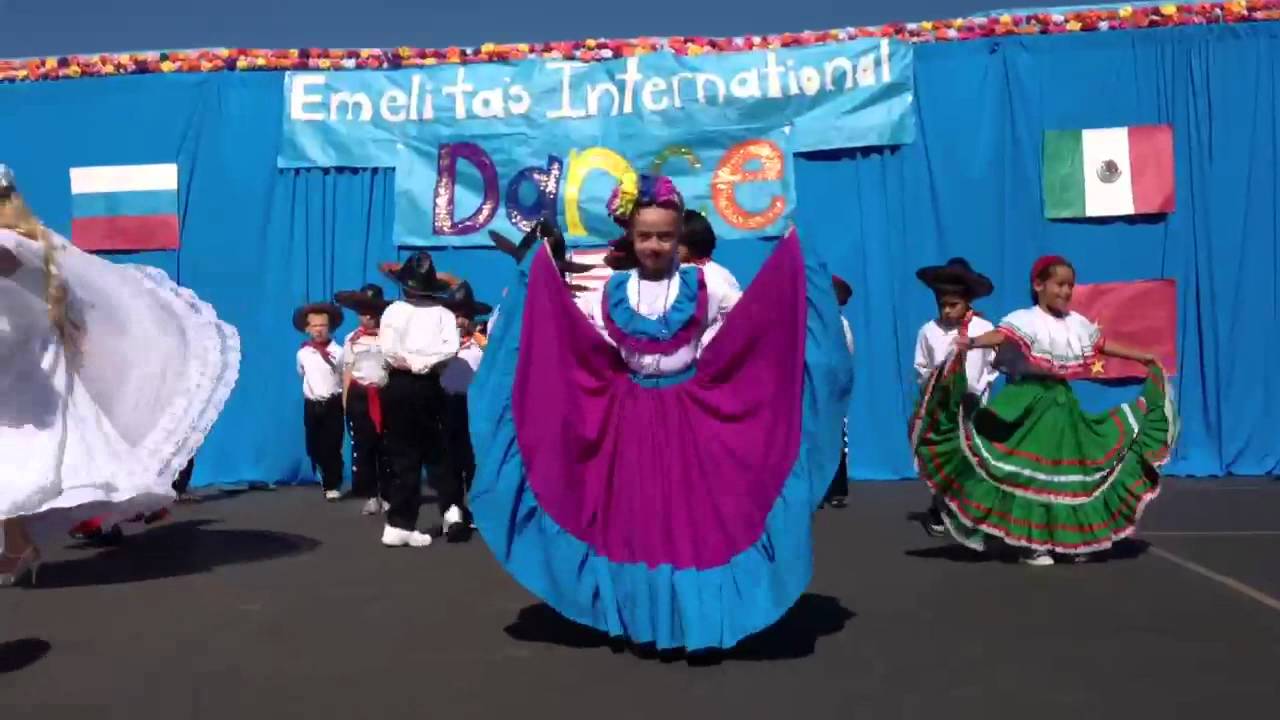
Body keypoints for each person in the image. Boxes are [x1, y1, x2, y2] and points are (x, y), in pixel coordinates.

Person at [468, 173, 853, 653]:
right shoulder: (613, 291)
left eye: (665, 236)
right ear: (630, 236)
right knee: (636, 517)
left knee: (686, 519)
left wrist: (789, 281)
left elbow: (747, 327)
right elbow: (584, 344)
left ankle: (695, 623)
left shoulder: (707, 285)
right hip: (626, 416)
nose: (654, 244)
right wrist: (538, 283)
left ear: (680, 238)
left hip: (688, 413)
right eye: (645, 235)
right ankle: (641, 619)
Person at [0, 164, 240, 585]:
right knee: (16, 464)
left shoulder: (15, 244)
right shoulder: (33, 243)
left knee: (21, 460)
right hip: (19, 366)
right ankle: (20, 548)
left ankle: (21, 548)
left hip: (27, 372)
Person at [912, 254, 1176, 566]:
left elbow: (1101, 344)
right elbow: (1002, 336)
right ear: (1039, 285)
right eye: (1059, 285)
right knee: (1030, 477)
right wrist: (973, 343)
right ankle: (1030, 544)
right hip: (1029, 404)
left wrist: (1143, 357)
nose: (1066, 292)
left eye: (1070, 286)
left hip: (1062, 406)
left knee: (1067, 475)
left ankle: (1068, 543)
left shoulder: (1076, 324)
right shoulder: (1025, 320)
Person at [910, 258, 999, 536]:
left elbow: (993, 364)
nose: (947, 311)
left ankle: (970, 510)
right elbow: (921, 367)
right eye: (942, 305)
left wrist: (981, 389)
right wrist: (936, 384)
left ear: (967, 302)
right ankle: (938, 507)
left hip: (973, 404)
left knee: (972, 459)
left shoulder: (983, 330)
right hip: (941, 407)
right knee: (945, 456)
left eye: (953, 305)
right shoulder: (929, 331)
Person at [377, 251, 459, 548]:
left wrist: (424, 362)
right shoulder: (394, 311)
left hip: (428, 383)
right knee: (403, 454)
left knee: (437, 450)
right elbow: (389, 349)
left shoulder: (443, 315)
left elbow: (450, 348)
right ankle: (399, 523)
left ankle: (451, 510)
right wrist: (416, 362)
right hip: (402, 383)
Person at [437, 281, 492, 539]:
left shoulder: (482, 343)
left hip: (474, 405)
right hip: (446, 404)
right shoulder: (439, 343)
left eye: (464, 316)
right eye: (455, 315)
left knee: (473, 460)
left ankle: (478, 509)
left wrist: (480, 339)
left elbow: (495, 362)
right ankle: (452, 512)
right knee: (448, 461)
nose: (459, 321)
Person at [336, 283, 392, 516]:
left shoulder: (389, 337)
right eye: (362, 313)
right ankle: (371, 495)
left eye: (372, 313)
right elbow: (347, 371)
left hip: (384, 395)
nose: (366, 318)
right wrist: (346, 403)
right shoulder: (352, 339)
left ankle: (389, 494)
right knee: (364, 447)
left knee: (387, 448)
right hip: (360, 397)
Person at [294, 299, 345, 501]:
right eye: (314, 326)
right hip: (312, 404)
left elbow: (344, 375)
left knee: (332, 445)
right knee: (313, 446)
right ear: (307, 328)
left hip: (332, 403)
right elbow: (302, 374)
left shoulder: (338, 352)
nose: (318, 330)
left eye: (322, 325)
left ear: (330, 327)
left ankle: (333, 484)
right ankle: (323, 473)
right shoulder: (303, 353)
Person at [822, 274, 855, 509]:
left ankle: (837, 488)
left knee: (836, 437)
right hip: (808, 390)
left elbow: (848, 355)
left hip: (832, 390)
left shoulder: (841, 325)